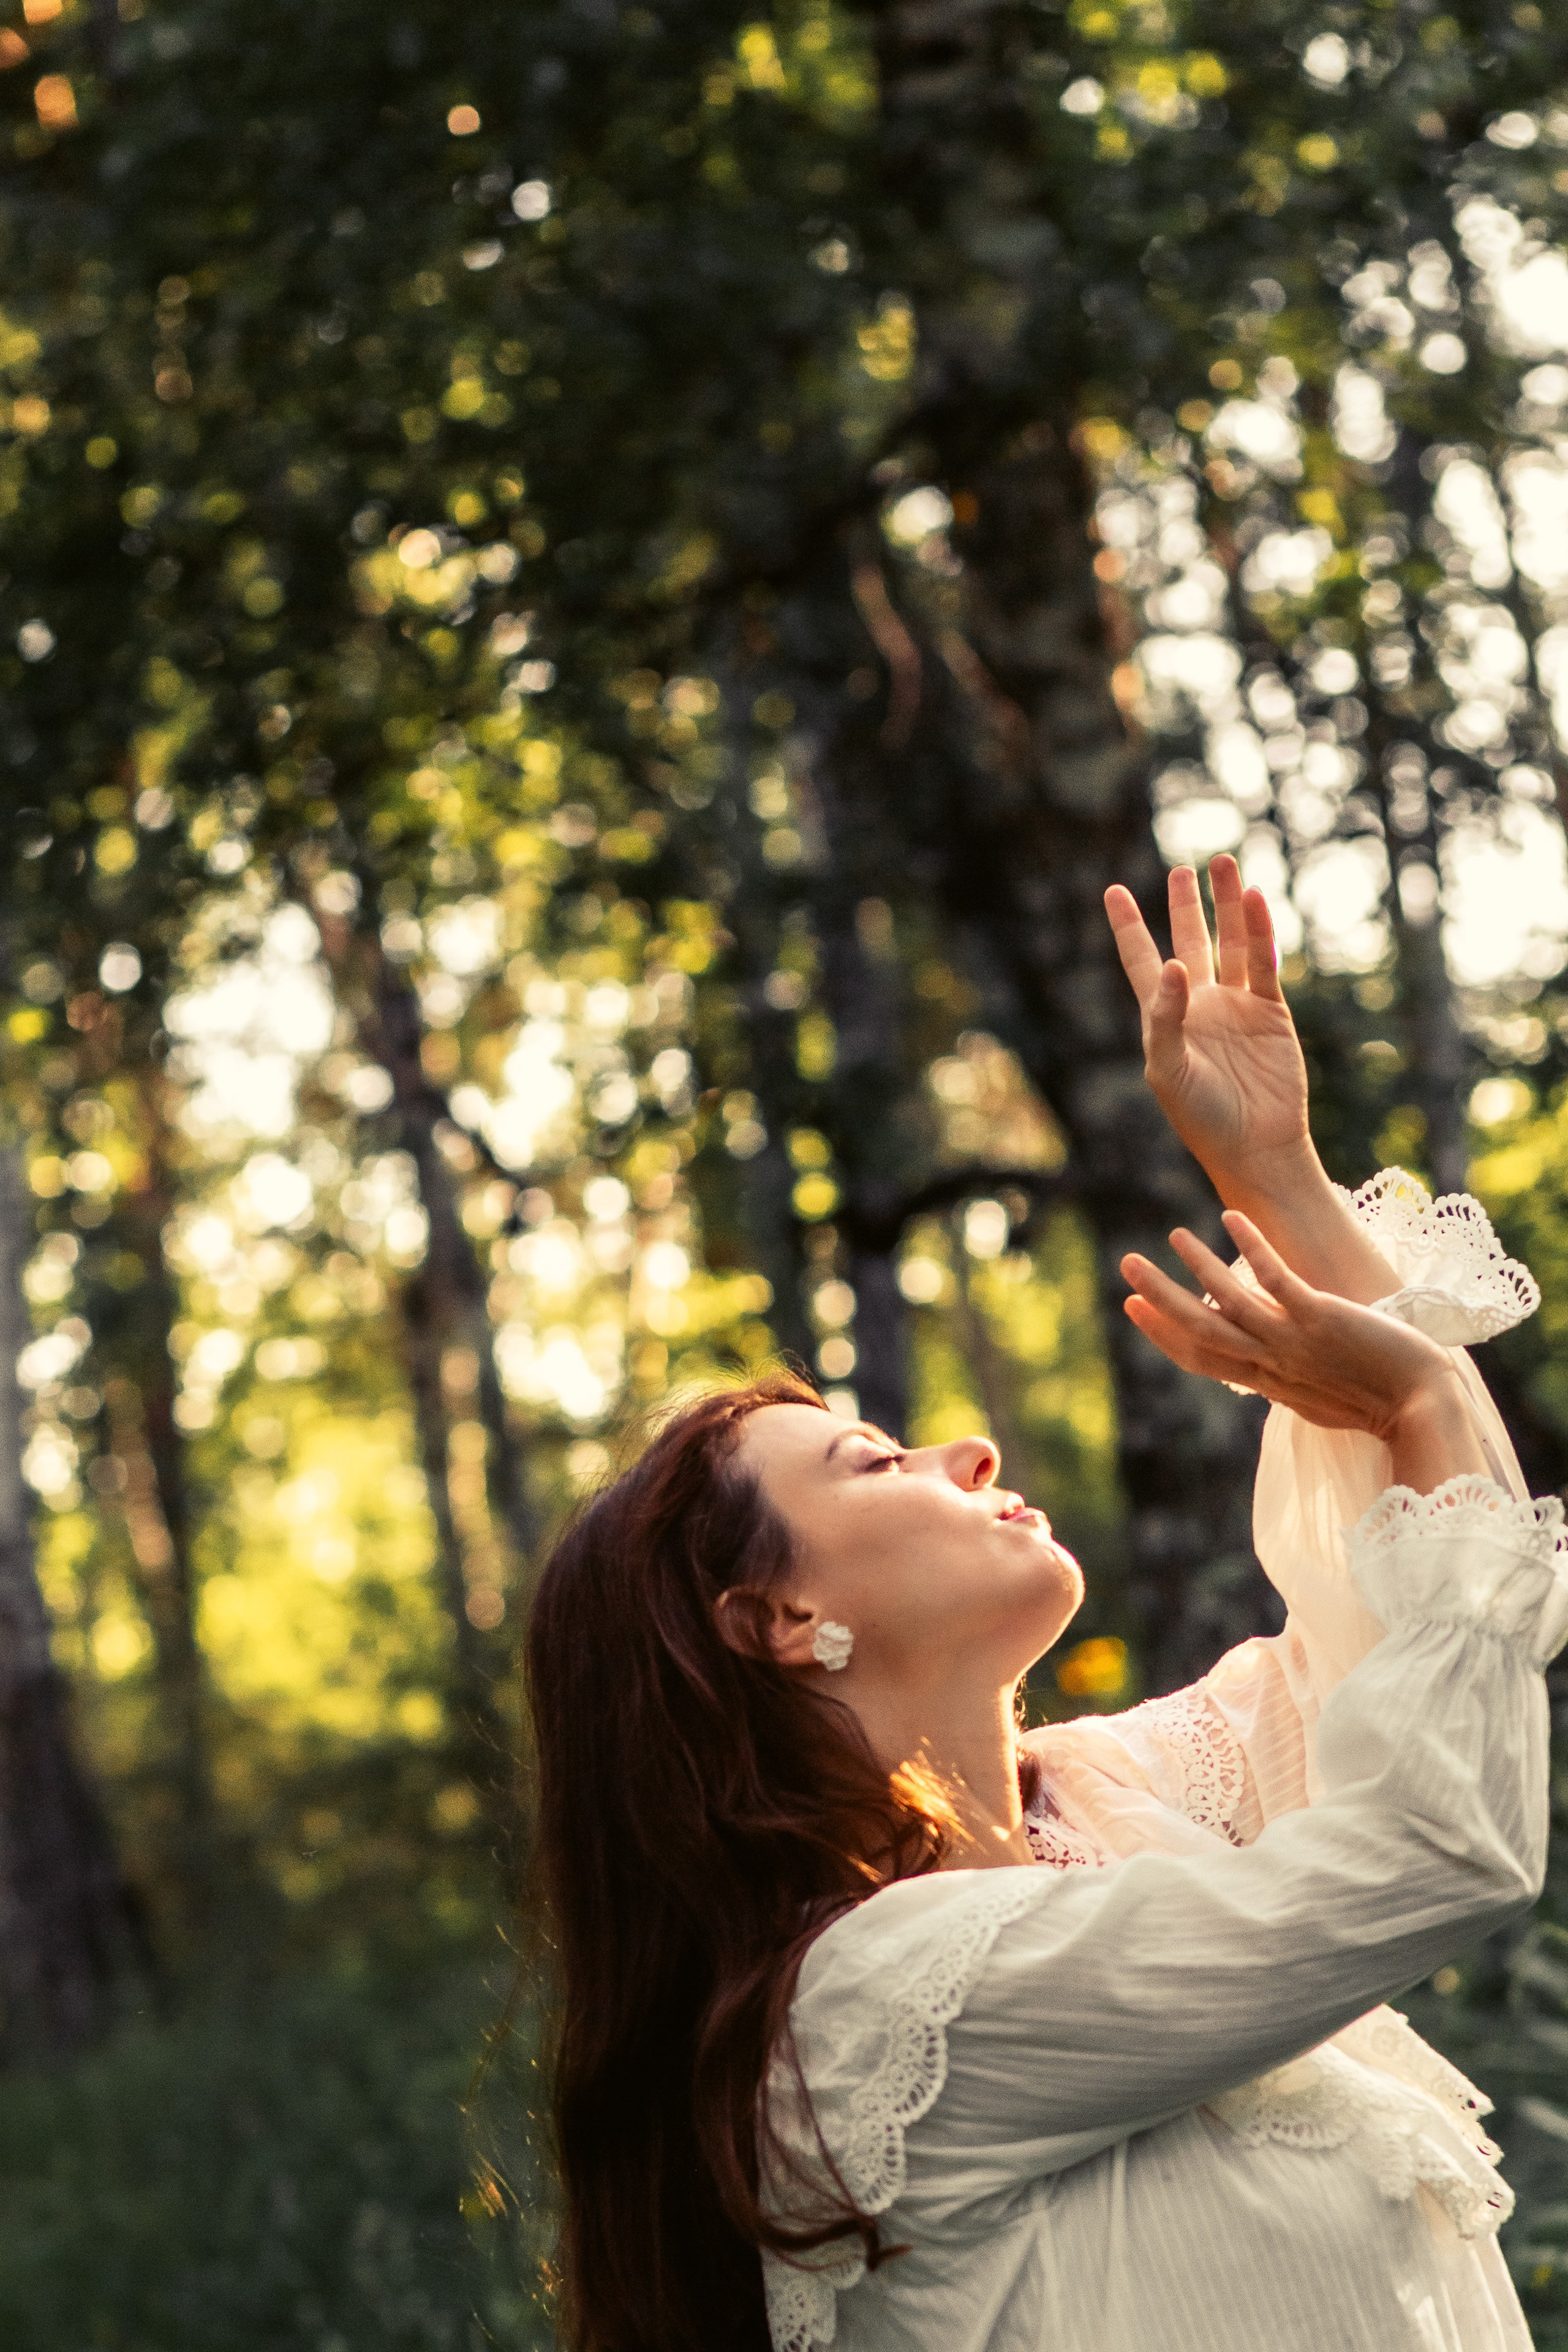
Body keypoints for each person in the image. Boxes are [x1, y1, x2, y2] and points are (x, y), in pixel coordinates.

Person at [526, 855, 1558, 2352]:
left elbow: (1416, 1612)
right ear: (771, 1619)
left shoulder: (1108, 1799)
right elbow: (1432, 1849)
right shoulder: (863, 2013)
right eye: (872, 1460)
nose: (968, 1448)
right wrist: (1406, 1400)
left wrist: (1277, 1183)